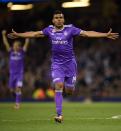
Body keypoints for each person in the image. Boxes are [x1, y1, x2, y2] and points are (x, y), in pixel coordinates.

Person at [8, 10, 119, 122]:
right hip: (57, 64)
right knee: (59, 85)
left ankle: (69, 86)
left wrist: (105, 34)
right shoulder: (49, 30)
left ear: (64, 19)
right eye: (56, 17)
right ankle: (59, 114)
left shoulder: (70, 29)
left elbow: (87, 33)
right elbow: (34, 33)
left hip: (70, 64)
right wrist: (19, 34)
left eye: (61, 17)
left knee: (69, 90)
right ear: (53, 20)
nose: (59, 19)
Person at [2, 30, 30, 109]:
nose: (15, 46)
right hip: (12, 74)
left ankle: (17, 104)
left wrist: (27, 37)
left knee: (18, 88)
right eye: (14, 45)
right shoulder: (11, 51)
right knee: (11, 90)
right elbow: (6, 44)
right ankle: (17, 97)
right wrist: (3, 35)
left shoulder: (22, 52)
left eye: (16, 45)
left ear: (19, 46)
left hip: (19, 74)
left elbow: (26, 43)